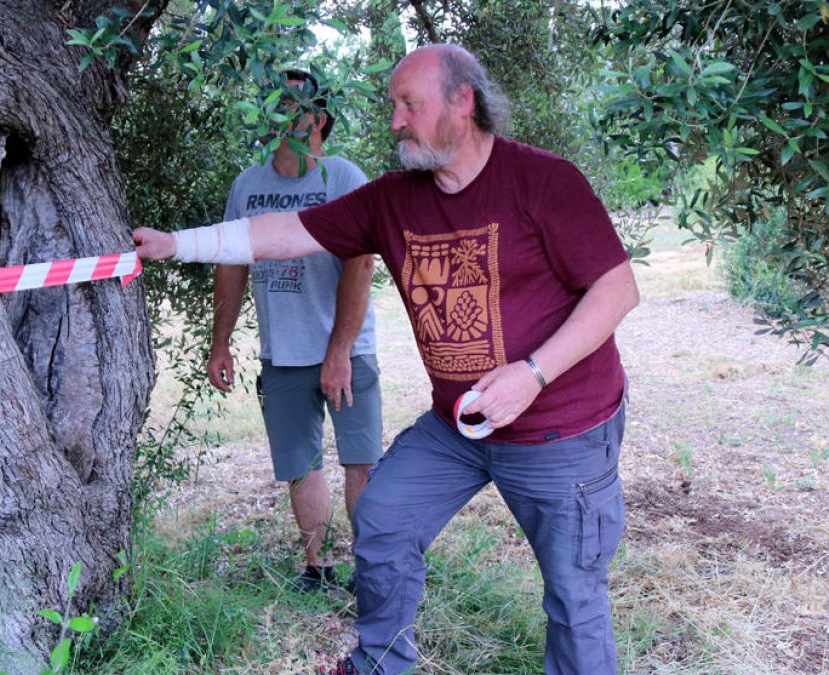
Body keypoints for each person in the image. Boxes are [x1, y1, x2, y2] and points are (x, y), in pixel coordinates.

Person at [134, 44, 639, 675]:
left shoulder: (544, 182)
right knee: (383, 518)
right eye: (392, 105)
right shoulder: (392, 200)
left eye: (409, 104)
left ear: (463, 101)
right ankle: (379, 663)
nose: (395, 120)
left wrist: (532, 375)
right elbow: (285, 232)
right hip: (458, 425)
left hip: (561, 428)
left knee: (574, 594)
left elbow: (618, 288)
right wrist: (178, 244)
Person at [209, 70, 383, 592]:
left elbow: (361, 266)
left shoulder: (343, 178)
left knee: (360, 461)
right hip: (282, 352)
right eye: (272, 100)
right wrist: (221, 341)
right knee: (299, 464)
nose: (277, 111)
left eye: (291, 103)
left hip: (345, 348)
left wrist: (340, 352)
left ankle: (375, 570)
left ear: (318, 119)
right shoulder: (248, 185)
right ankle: (321, 569)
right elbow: (231, 265)